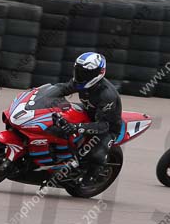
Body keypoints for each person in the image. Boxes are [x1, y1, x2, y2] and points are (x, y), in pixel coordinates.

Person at [52, 52, 123, 180]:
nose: (80, 76)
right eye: (78, 71)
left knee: (95, 156)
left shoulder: (107, 95)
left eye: (85, 73)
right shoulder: (80, 82)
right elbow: (63, 88)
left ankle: (91, 177)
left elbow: (103, 125)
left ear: (98, 73)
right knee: (55, 119)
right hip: (88, 112)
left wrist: (77, 127)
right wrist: (44, 92)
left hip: (107, 126)